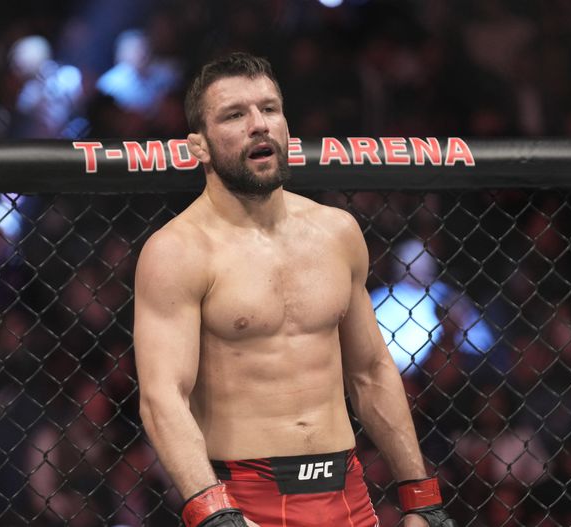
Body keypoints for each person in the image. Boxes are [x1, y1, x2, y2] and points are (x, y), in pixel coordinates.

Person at [134, 52, 457, 527]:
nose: (258, 125)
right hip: (244, 497)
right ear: (199, 146)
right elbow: (162, 396)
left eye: (269, 109)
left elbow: (371, 371)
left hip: (347, 495)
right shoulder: (177, 251)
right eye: (234, 115)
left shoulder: (336, 232)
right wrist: (213, 512)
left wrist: (420, 498)